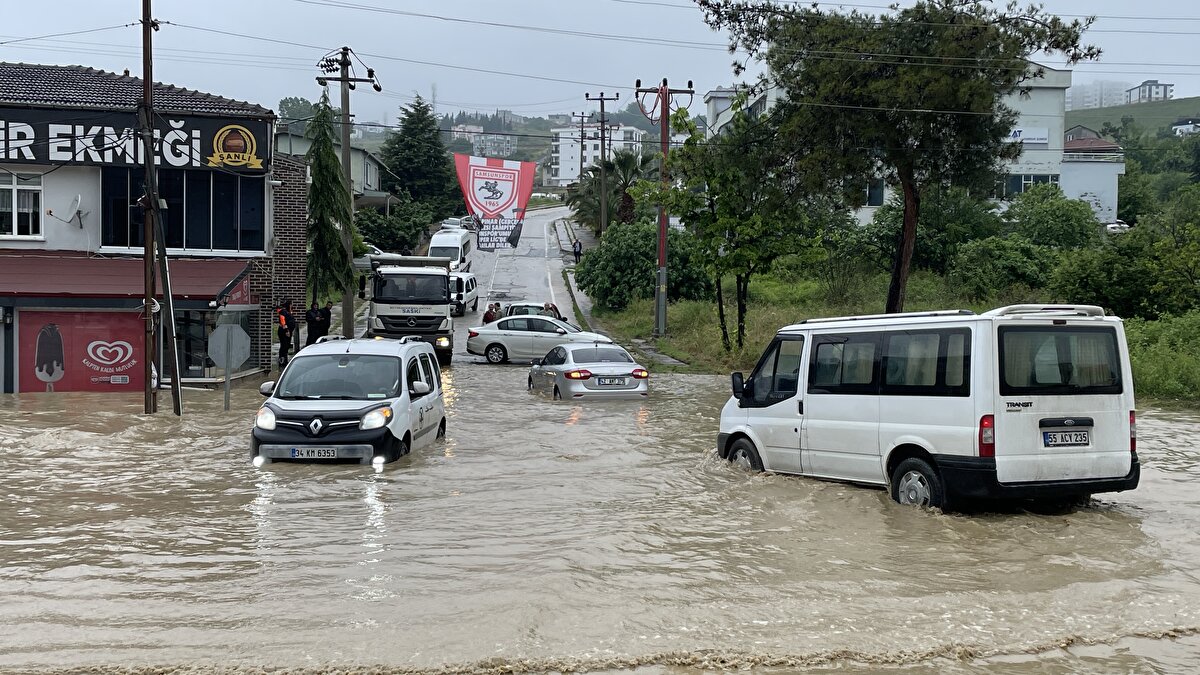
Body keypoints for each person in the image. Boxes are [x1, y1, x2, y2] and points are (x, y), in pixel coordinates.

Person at [277, 299, 296, 367]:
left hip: (288, 331)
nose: (292, 305)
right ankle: (282, 362)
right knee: (284, 347)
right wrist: (287, 330)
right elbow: (283, 322)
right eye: (291, 304)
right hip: (284, 331)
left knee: (286, 346)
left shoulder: (289, 312)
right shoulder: (283, 312)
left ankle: (285, 360)